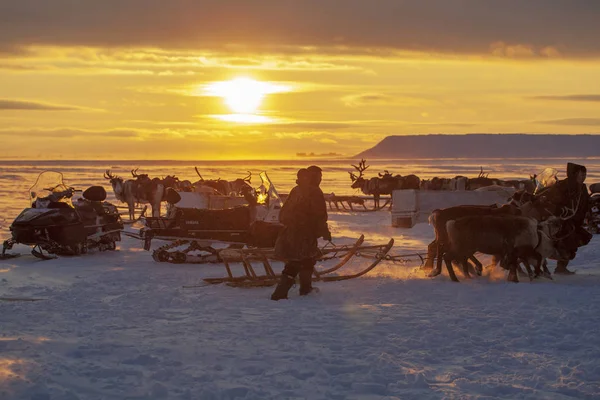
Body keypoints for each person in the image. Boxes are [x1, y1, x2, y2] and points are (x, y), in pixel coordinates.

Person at [271, 167, 330, 300]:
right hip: (303, 235)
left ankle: (306, 289)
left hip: (291, 232)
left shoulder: (296, 190)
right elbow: (319, 215)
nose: (320, 179)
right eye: (319, 176)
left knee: (307, 260)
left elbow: (284, 213)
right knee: (295, 262)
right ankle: (279, 294)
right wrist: (324, 232)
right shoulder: (315, 192)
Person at [538, 162, 592, 274]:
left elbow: (585, 202)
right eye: (581, 175)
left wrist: (588, 212)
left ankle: (561, 267)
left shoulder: (582, 188)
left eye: (585, 175)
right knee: (564, 243)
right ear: (575, 174)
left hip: (575, 221)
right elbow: (551, 199)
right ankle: (545, 265)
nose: (583, 177)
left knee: (574, 244)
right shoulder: (563, 185)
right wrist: (558, 210)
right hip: (561, 221)